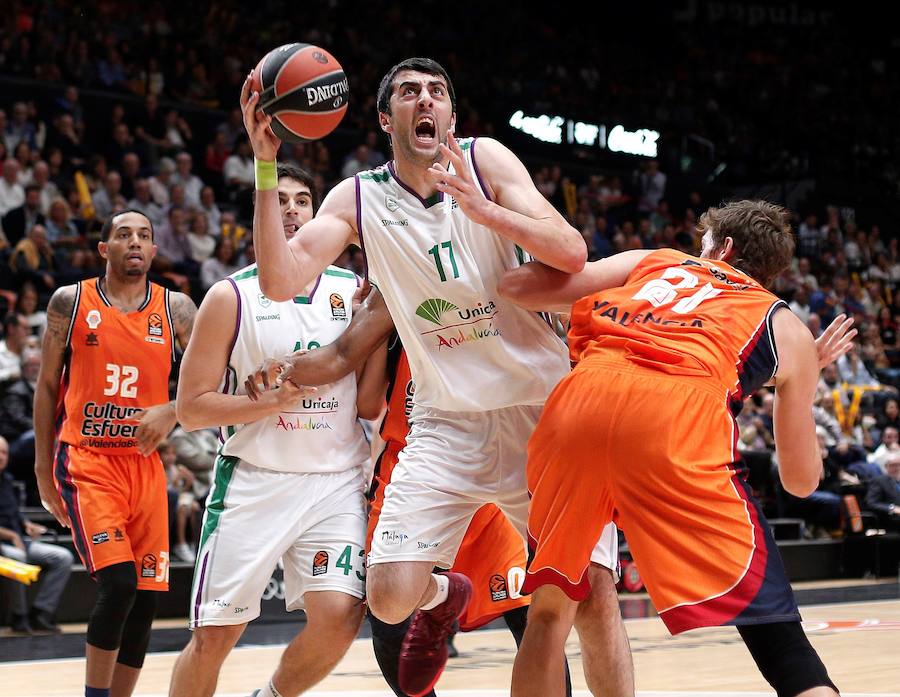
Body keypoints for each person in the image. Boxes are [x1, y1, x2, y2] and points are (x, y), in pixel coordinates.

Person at [241, 57, 629, 697]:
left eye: (438, 92)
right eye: (409, 93)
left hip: (542, 412)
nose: (426, 101)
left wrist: (489, 212)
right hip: (447, 424)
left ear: (450, 113)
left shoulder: (487, 162)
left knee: (593, 596)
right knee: (390, 598)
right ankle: (447, 595)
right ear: (385, 116)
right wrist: (263, 164)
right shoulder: (357, 196)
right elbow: (282, 281)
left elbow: (571, 252)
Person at [498, 200, 846, 697]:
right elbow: (800, 482)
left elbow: (517, 289)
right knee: (778, 638)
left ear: (721, 247)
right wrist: (798, 379)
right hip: (673, 426)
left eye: (702, 241)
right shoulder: (786, 327)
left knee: (549, 612)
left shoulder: (653, 260)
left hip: (579, 406)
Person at [244, 292, 575, 697]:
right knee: (387, 613)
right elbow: (367, 404)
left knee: (525, 610)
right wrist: (380, 329)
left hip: (490, 462)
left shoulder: (486, 295)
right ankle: (441, 603)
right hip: (413, 469)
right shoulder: (395, 310)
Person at [168, 164, 386, 697]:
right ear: (260, 216)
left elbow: (367, 400)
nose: (291, 210)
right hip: (256, 482)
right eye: (280, 200)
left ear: (319, 216)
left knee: (339, 616)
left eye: (303, 201)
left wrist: (378, 327)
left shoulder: (355, 290)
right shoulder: (230, 297)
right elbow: (191, 408)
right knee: (216, 636)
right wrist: (258, 405)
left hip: (335, 482)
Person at [33, 209, 196, 697]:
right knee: (120, 584)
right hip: (86, 461)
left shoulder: (177, 309)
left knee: (145, 599)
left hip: (144, 466)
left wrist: (173, 407)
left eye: (144, 236)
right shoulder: (71, 301)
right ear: (104, 249)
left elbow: (212, 379)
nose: (135, 242)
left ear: (153, 250)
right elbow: (45, 388)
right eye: (124, 235)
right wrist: (44, 471)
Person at [0, 435, 74, 634]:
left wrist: (27, 525)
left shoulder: (7, 479)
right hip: (7, 545)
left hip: (20, 541)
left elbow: (12, 513)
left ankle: (41, 612)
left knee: (63, 557)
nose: (2, 456)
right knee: (18, 557)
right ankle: (18, 617)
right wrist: (11, 536)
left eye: (4, 452)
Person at [864, 453, 900, 530]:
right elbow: (871, 503)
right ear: (886, 467)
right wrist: (892, 508)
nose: (897, 468)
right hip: (891, 519)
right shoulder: (879, 481)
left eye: (898, 465)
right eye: (893, 465)